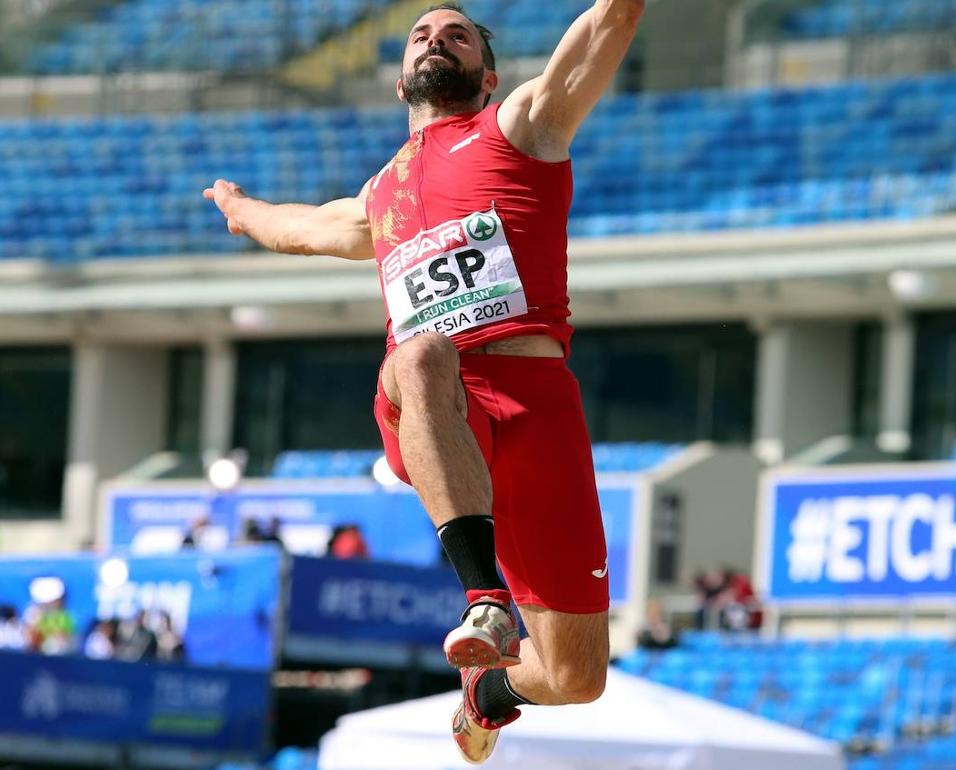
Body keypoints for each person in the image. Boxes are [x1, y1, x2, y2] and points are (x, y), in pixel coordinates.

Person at [203, 1, 644, 761]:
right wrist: (241, 210)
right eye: (420, 35)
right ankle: (485, 600)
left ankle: (489, 691)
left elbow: (611, 22)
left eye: (457, 34)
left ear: (488, 72)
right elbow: (297, 228)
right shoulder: (381, 196)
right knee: (420, 353)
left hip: (538, 409)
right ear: (401, 78)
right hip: (435, 403)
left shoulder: (524, 126)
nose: (435, 39)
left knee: (577, 677)